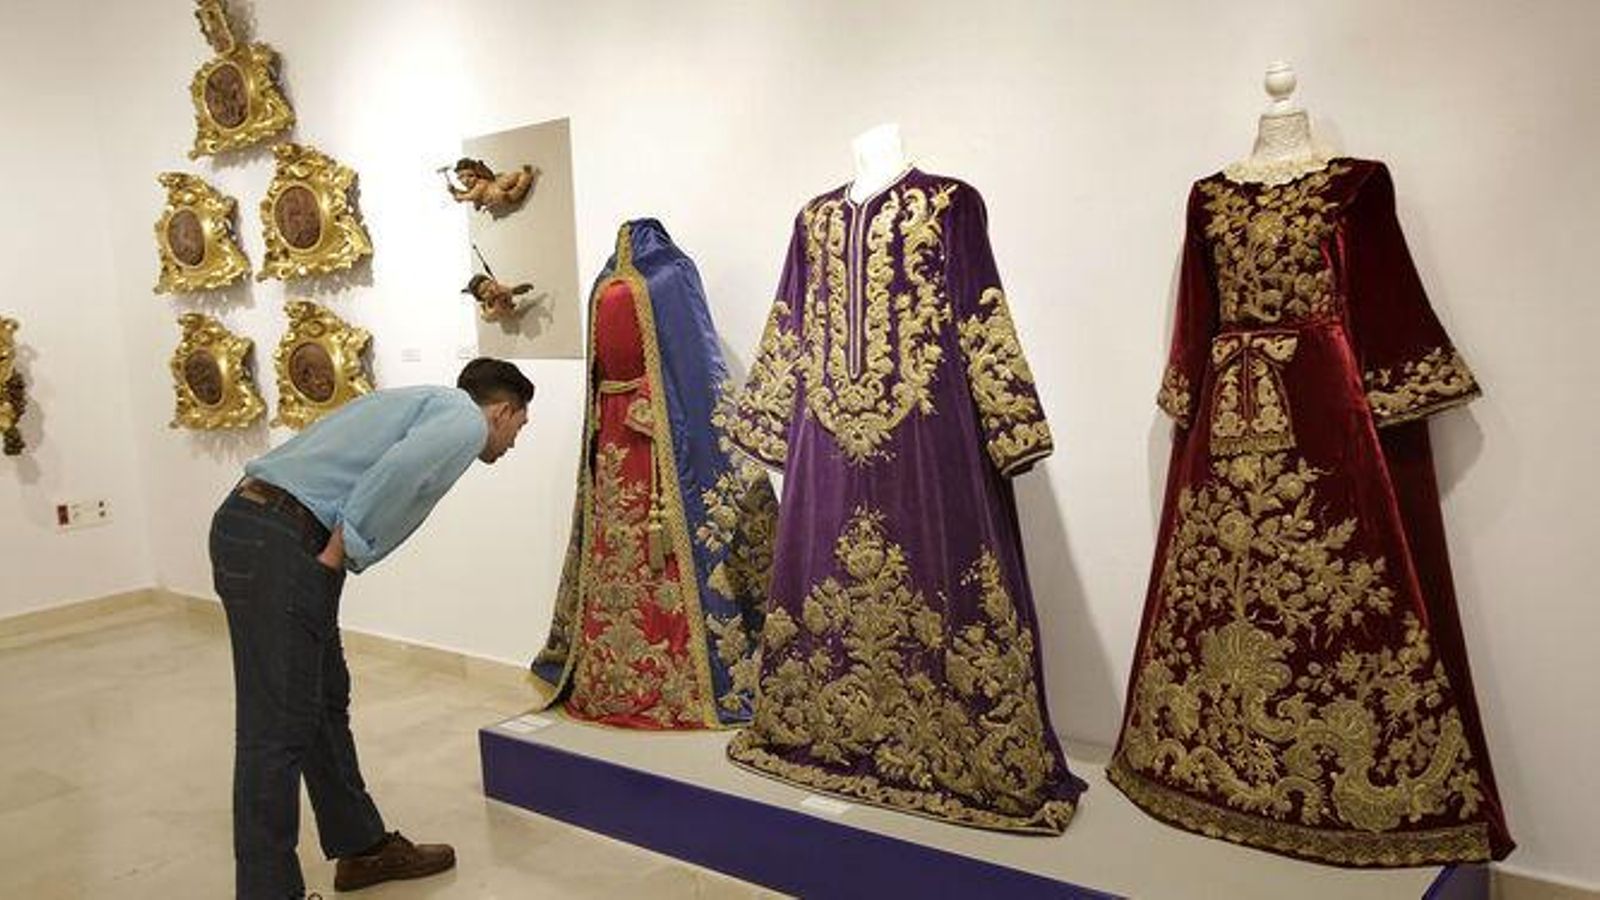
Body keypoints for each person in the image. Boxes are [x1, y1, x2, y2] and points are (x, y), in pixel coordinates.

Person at [209, 358, 533, 899]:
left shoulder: (424, 401)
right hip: (281, 542)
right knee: (276, 728)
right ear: (502, 410)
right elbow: (399, 473)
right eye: (519, 427)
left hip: (261, 528)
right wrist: (340, 551)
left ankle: (361, 847)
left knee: (321, 701)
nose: (512, 443)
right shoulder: (465, 419)